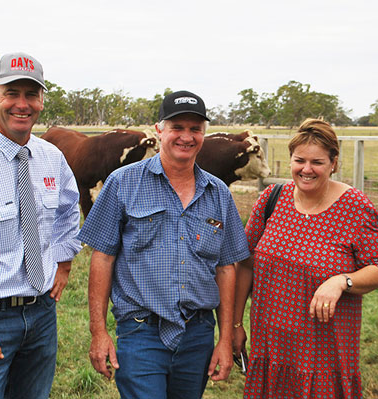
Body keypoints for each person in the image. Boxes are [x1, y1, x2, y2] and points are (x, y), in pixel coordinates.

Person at [78, 90, 251, 399]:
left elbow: (227, 268)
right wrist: (98, 331)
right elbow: (102, 257)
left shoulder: (219, 194)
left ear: (204, 134)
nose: (186, 136)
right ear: (159, 131)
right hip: (141, 329)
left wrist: (225, 339)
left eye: (195, 129)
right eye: (177, 128)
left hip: (197, 333)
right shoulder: (123, 183)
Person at [0, 52, 82, 398]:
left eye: (31, 94)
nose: (22, 104)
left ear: (41, 101)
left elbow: (70, 212)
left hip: (41, 316)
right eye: (12, 93)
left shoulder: (52, 158)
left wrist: (64, 262)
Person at [233, 118, 378, 398]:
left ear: (333, 163)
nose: (306, 169)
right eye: (299, 160)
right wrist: (235, 325)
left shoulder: (356, 208)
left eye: (317, 162)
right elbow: (245, 263)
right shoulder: (272, 198)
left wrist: (343, 281)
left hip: (322, 352)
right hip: (269, 345)